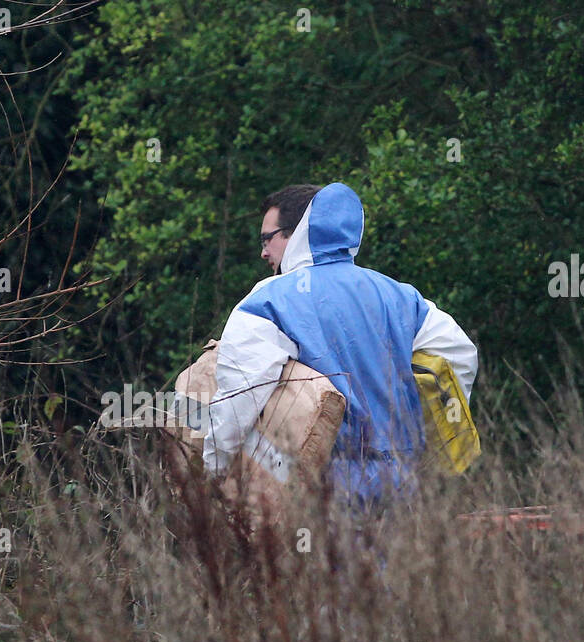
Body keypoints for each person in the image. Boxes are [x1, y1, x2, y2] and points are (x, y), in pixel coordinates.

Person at [202, 182, 478, 508]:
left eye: (267, 239)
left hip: (322, 484)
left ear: (302, 230)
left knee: (329, 560)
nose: (263, 251)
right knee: (397, 560)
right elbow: (459, 356)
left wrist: (212, 471)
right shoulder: (400, 296)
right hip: (404, 481)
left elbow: (238, 399)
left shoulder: (267, 301)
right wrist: (421, 433)